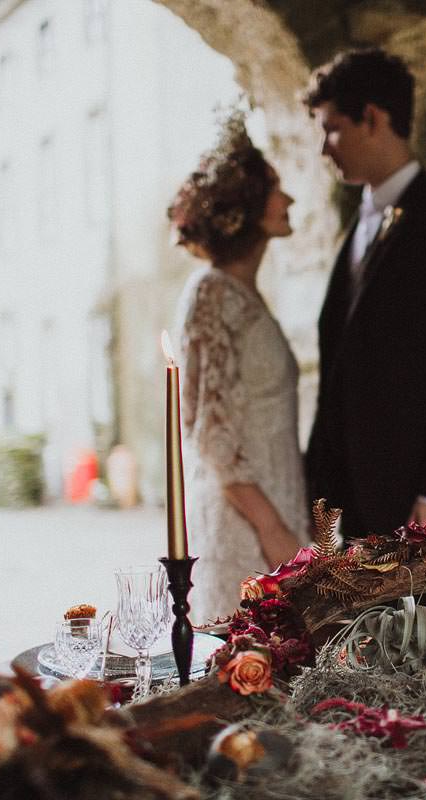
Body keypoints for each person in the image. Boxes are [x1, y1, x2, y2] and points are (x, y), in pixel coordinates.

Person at [303, 49, 426, 543]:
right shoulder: (354, 230)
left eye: (331, 129)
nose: (324, 149)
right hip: (349, 504)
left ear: (372, 117)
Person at [168, 114, 308, 625]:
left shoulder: (246, 294)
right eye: (275, 189)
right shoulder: (210, 293)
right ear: (246, 207)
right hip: (246, 525)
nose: (288, 200)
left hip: (279, 502)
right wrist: (274, 532)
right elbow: (209, 431)